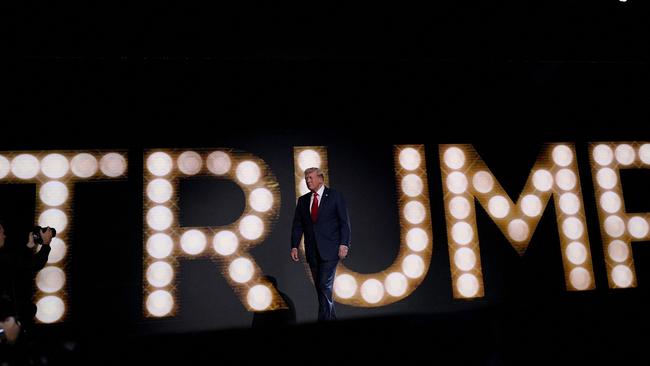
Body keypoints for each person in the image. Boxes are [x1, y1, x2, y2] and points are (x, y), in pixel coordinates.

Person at [290, 167, 351, 321]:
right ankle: (331, 318)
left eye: (310, 177)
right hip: (312, 251)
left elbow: (344, 222)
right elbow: (298, 225)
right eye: (306, 178)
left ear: (321, 179)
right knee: (321, 288)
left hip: (330, 250)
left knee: (324, 285)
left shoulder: (335, 196)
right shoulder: (303, 200)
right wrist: (294, 245)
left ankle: (322, 320)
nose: (308, 181)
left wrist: (344, 244)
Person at [0, 220, 53, 342]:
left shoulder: (4, 257)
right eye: (1, 232)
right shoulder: (3, 258)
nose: (4, 235)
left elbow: (19, 265)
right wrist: (46, 244)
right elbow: (33, 264)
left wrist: (29, 246)